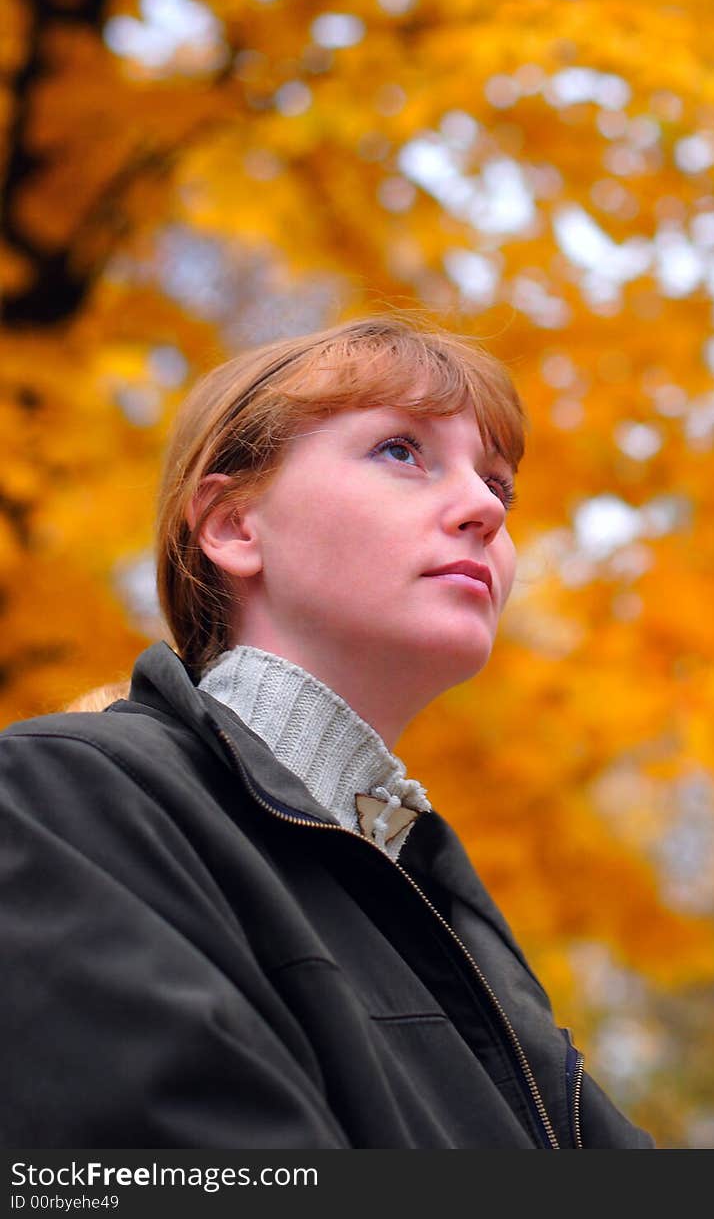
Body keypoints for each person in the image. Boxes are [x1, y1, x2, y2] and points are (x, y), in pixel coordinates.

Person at [0, 313, 653, 1149]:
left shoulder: (446, 903)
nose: (483, 510)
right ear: (236, 525)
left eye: (499, 484)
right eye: (402, 451)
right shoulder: (73, 798)